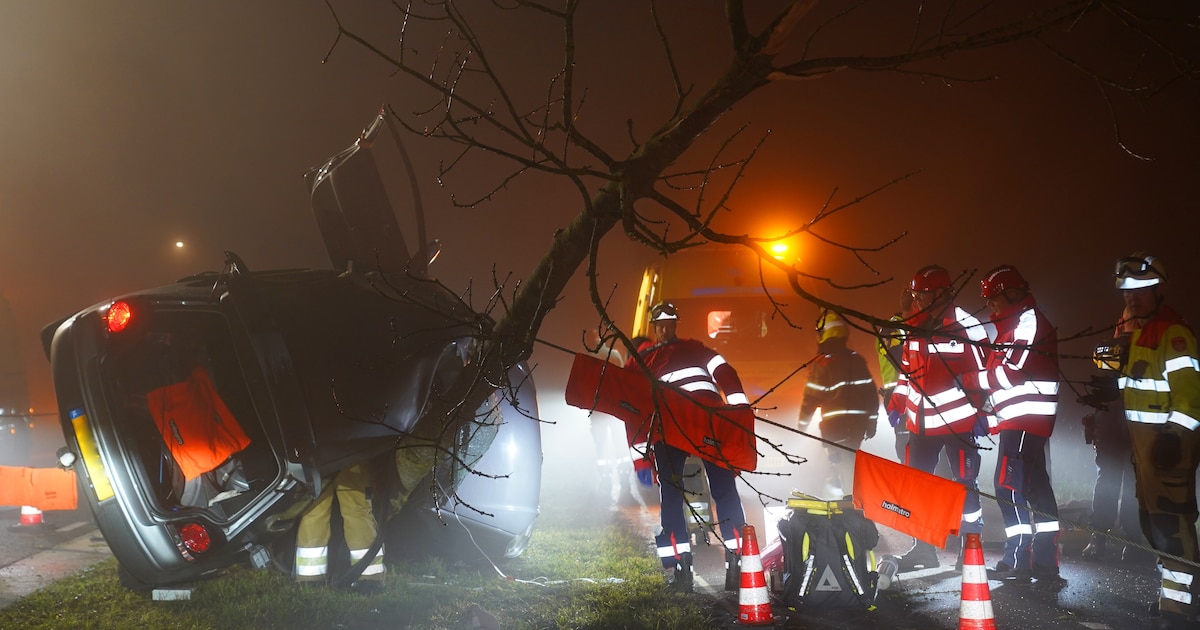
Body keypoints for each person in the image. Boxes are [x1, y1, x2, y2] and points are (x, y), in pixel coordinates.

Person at [1111, 253, 1200, 628]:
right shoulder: (1131, 331)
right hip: (1144, 452)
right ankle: (1171, 596)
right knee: (1154, 526)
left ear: (1157, 289)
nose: (1133, 297)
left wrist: (1174, 436)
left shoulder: (1173, 333)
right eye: (1128, 290)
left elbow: (1191, 399)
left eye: (1142, 289)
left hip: (1168, 451)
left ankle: (1180, 608)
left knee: (1173, 525)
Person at [639, 301, 750, 593]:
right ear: (656, 326)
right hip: (708, 421)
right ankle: (734, 561)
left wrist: (641, 457)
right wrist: (738, 412)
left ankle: (682, 566)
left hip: (673, 426)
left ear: (673, 324)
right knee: (723, 489)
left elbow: (635, 409)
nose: (664, 328)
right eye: (660, 324)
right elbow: (725, 371)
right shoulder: (696, 349)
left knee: (672, 493)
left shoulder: (645, 359)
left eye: (667, 323)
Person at [887, 264, 989, 571]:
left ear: (942, 294)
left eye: (923, 295)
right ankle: (924, 551)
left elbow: (985, 375)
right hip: (921, 427)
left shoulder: (967, 327)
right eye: (915, 295)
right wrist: (896, 404)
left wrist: (983, 412)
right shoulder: (915, 326)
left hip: (958, 425)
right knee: (920, 487)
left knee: (964, 485)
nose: (917, 301)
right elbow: (907, 373)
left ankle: (970, 549)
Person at [974, 265, 1064, 583]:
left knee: (1008, 486)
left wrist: (972, 379)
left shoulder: (1028, 322)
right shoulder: (1011, 328)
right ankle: (1043, 559)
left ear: (1011, 294)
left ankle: (1019, 557)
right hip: (1022, 421)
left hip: (1027, 420)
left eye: (993, 298)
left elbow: (1011, 372)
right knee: (1035, 488)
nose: (989, 305)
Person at [1080, 309, 1147, 563]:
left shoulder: (1108, 349)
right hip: (1135, 424)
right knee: (1133, 484)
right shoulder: (1150, 349)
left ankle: (1098, 539)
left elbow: (1100, 373)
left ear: (1122, 324)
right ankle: (1133, 543)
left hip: (1111, 422)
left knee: (1107, 480)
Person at [798, 309, 879, 498]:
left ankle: (850, 507)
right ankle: (851, 500)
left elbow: (811, 397)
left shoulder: (822, 363)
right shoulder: (857, 360)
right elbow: (871, 396)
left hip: (835, 428)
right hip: (857, 427)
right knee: (848, 464)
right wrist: (871, 423)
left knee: (843, 466)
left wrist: (802, 425)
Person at [294, 464, 385, 592]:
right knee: (358, 512)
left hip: (315, 458)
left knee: (313, 512)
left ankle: (310, 579)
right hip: (352, 456)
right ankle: (369, 578)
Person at [878, 289, 917, 462]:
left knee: (917, 444)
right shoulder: (893, 329)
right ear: (916, 304)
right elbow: (902, 361)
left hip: (908, 393)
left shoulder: (907, 328)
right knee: (907, 445)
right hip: (898, 394)